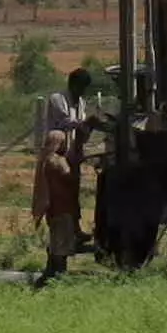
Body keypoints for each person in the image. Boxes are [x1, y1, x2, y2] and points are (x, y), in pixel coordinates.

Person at [32, 66, 99, 281]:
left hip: (72, 154)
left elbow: (80, 127)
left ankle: (76, 230)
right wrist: (86, 123)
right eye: (80, 87)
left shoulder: (79, 102)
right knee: (63, 197)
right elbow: (64, 123)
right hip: (60, 153)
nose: (82, 93)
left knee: (74, 193)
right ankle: (56, 266)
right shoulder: (57, 99)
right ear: (72, 84)